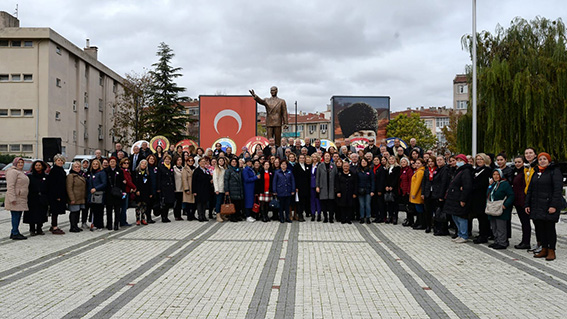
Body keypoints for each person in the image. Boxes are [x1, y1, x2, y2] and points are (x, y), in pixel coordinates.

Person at [525, 152, 564, 261]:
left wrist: (553, 205)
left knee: (549, 229)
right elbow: (530, 190)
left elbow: (557, 190)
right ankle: (544, 248)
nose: (542, 161)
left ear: (549, 160)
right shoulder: (536, 172)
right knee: (540, 228)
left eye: (544, 159)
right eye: (540, 159)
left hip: (549, 206)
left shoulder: (554, 171)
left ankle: (551, 250)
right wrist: (527, 204)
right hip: (537, 206)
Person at [445, 154, 473, 243]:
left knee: (461, 217)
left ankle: (464, 235)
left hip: (460, 197)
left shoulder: (466, 171)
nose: (458, 162)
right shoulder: (459, 170)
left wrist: (463, 199)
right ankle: (460, 233)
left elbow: (467, 186)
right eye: (458, 160)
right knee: (455, 216)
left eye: (461, 160)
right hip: (454, 197)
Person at [486, 169, 515, 249]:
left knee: (500, 226)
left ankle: (502, 242)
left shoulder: (505, 184)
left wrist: (505, 205)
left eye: (497, 174)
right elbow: (488, 194)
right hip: (492, 207)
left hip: (501, 208)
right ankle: (497, 241)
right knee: (494, 226)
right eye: (494, 174)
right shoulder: (493, 184)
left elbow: (511, 195)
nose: (495, 176)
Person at [470, 153, 493, 244]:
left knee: (483, 218)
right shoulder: (476, 170)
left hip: (482, 197)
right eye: (478, 159)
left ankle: (484, 235)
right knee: (479, 217)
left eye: (481, 159)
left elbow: (483, 183)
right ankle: (481, 234)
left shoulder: (487, 170)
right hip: (475, 197)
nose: (479, 161)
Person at [6, 157, 29, 240]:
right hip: (16, 197)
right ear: (15, 163)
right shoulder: (12, 172)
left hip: (21, 197)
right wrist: (12, 198)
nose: (20, 164)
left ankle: (14, 231)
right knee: (15, 215)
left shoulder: (20, 172)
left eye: (22, 162)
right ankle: (15, 232)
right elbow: (10, 186)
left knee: (18, 215)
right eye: (19, 162)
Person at [24, 160, 49, 236]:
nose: (38, 167)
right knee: (32, 214)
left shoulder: (46, 176)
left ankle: (39, 229)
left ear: (42, 166)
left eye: (39, 165)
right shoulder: (30, 176)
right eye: (36, 165)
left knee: (41, 213)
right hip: (32, 197)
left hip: (42, 197)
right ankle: (32, 229)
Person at [47, 154, 68, 235]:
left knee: (57, 211)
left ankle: (54, 225)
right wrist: (57, 196)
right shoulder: (54, 170)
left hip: (61, 193)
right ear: (55, 161)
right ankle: (54, 227)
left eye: (61, 160)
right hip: (55, 194)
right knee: (54, 211)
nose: (60, 162)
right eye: (58, 160)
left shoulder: (61, 170)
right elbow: (53, 184)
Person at [511, 156, 529, 249]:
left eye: (519, 162)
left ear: (523, 162)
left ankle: (526, 241)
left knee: (525, 222)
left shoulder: (525, 172)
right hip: (517, 200)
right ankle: (524, 240)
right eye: (516, 162)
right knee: (523, 222)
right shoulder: (515, 172)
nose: (517, 164)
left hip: (523, 200)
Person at [316, 152, 337, 223]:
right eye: (326, 156)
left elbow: (336, 176)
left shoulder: (333, 165)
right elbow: (317, 177)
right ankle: (325, 217)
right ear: (323, 157)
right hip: (323, 187)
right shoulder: (320, 165)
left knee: (331, 204)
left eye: (328, 156)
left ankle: (331, 217)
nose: (327, 157)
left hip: (331, 187)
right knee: (323, 204)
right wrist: (317, 186)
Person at [86, 159, 107, 230]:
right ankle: (94, 224)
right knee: (93, 210)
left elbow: (104, 183)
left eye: (96, 164)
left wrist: (96, 188)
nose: (95, 165)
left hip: (99, 194)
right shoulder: (91, 173)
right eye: (94, 164)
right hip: (92, 194)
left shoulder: (101, 173)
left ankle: (99, 225)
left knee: (99, 210)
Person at [66, 161, 87, 233]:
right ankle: (72, 226)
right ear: (73, 168)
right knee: (74, 212)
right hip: (74, 197)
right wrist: (71, 198)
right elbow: (69, 188)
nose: (77, 168)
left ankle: (76, 226)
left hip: (81, 197)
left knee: (78, 212)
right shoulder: (71, 176)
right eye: (75, 167)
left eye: (78, 167)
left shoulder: (81, 175)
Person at [224, 158, 244, 222]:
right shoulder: (228, 170)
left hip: (239, 189)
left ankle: (238, 216)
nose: (234, 163)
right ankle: (232, 217)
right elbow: (226, 181)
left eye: (235, 162)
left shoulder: (239, 170)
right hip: (232, 189)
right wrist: (226, 190)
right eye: (232, 162)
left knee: (238, 204)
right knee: (233, 204)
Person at [193, 158, 213, 222]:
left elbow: (209, 177)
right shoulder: (197, 171)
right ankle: (200, 216)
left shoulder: (206, 170)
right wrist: (194, 191)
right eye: (202, 162)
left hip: (206, 190)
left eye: (204, 162)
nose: (203, 163)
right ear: (199, 163)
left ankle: (204, 215)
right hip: (199, 190)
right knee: (199, 203)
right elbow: (194, 181)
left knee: (204, 203)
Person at [156, 155, 175, 223]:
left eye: (169, 159)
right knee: (164, 203)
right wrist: (158, 188)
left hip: (170, 187)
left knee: (168, 203)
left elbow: (173, 178)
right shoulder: (161, 167)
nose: (167, 161)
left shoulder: (171, 167)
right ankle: (163, 217)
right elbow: (158, 178)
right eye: (166, 159)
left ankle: (166, 216)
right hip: (163, 187)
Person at [133, 159, 152, 225]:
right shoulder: (136, 172)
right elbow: (135, 182)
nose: (143, 165)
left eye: (145, 164)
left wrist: (150, 193)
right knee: (138, 206)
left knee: (144, 206)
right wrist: (136, 190)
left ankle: (143, 219)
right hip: (139, 191)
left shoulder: (147, 173)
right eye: (142, 164)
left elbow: (149, 183)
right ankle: (137, 219)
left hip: (146, 192)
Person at [356, 158, 375, 224]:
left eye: (365, 161)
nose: (363, 162)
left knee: (367, 204)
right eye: (362, 161)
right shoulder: (358, 170)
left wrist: (372, 190)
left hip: (368, 190)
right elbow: (356, 181)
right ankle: (361, 217)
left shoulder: (370, 170)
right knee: (361, 205)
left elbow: (372, 181)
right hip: (360, 190)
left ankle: (368, 217)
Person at [293, 154, 310, 222]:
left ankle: (305, 213)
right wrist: (296, 187)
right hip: (299, 187)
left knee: (305, 201)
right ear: (298, 159)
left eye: (303, 158)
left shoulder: (307, 166)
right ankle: (300, 215)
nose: (302, 159)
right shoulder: (296, 166)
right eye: (301, 158)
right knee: (300, 202)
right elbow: (295, 177)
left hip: (306, 187)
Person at [409, 158, 426, 230]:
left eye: (419, 163)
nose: (417, 164)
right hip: (414, 193)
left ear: (422, 164)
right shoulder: (417, 171)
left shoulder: (420, 172)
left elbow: (418, 184)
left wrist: (414, 193)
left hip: (417, 194)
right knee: (417, 209)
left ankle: (421, 223)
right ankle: (418, 222)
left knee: (419, 209)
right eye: (416, 163)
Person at [384, 156, 401, 225]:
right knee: (389, 203)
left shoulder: (397, 168)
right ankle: (390, 216)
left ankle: (395, 217)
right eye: (390, 159)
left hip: (394, 188)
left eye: (392, 159)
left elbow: (396, 178)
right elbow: (385, 178)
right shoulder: (387, 168)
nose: (391, 160)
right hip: (388, 188)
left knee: (395, 203)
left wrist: (392, 186)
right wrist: (386, 186)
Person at [120, 158, 135, 227]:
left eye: (127, 163)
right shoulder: (123, 171)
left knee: (125, 207)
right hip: (124, 191)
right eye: (124, 163)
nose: (126, 164)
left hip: (128, 190)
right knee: (123, 207)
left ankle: (123, 220)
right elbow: (127, 181)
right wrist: (134, 187)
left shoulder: (127, 171)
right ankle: (122, 221)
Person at [211, 157, 226, 222]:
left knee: (222, 203)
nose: (221, 162)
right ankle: (218, 216)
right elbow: (215, 180)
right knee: (218, 203)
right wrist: (216, 189)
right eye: (220, 161)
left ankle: (222, 215)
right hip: (218, 189)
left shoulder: (225, 169)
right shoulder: (216, 170)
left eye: (222, 161)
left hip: (224, 189)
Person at [182, 157, 197, 221]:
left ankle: (193, 214)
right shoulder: (185, 169)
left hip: (194, 188)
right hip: (188, 187)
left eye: (192, 161)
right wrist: (186, 189)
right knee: (188, 203)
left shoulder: (195, 169)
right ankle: (189, 215)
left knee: (194, 203)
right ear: (187, 162)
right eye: (189, 161)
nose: (190, 162)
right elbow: (184, 179)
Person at [372, 156, 386, 223]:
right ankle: (377, 217)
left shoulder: (381, 169)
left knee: (380, 204)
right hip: (374, 189)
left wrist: (380, 190)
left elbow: (382, 180)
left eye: (377, 160)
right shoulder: (373, 168)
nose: (376, 161)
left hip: (379, 189)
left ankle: (382, 217)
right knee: (375, 204)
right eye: (374, 160)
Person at [145, 154, 158, 223]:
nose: (152, 160)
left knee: (153, 203)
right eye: (150, 159)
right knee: (148, 205)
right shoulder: (147, 168)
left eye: (153, 159)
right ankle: (148, 218)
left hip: (155, 188)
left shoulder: (155, 168)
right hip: (149, 189)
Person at [172, 156, 184, 221]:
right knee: (176, 202)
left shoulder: (183, 168)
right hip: (176, 187)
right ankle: (176, 215)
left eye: (180, 160)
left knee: (180, 202)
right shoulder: (174, 168)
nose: (179, 161)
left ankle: (179, 215)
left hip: (182, 188)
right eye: (178, 160)